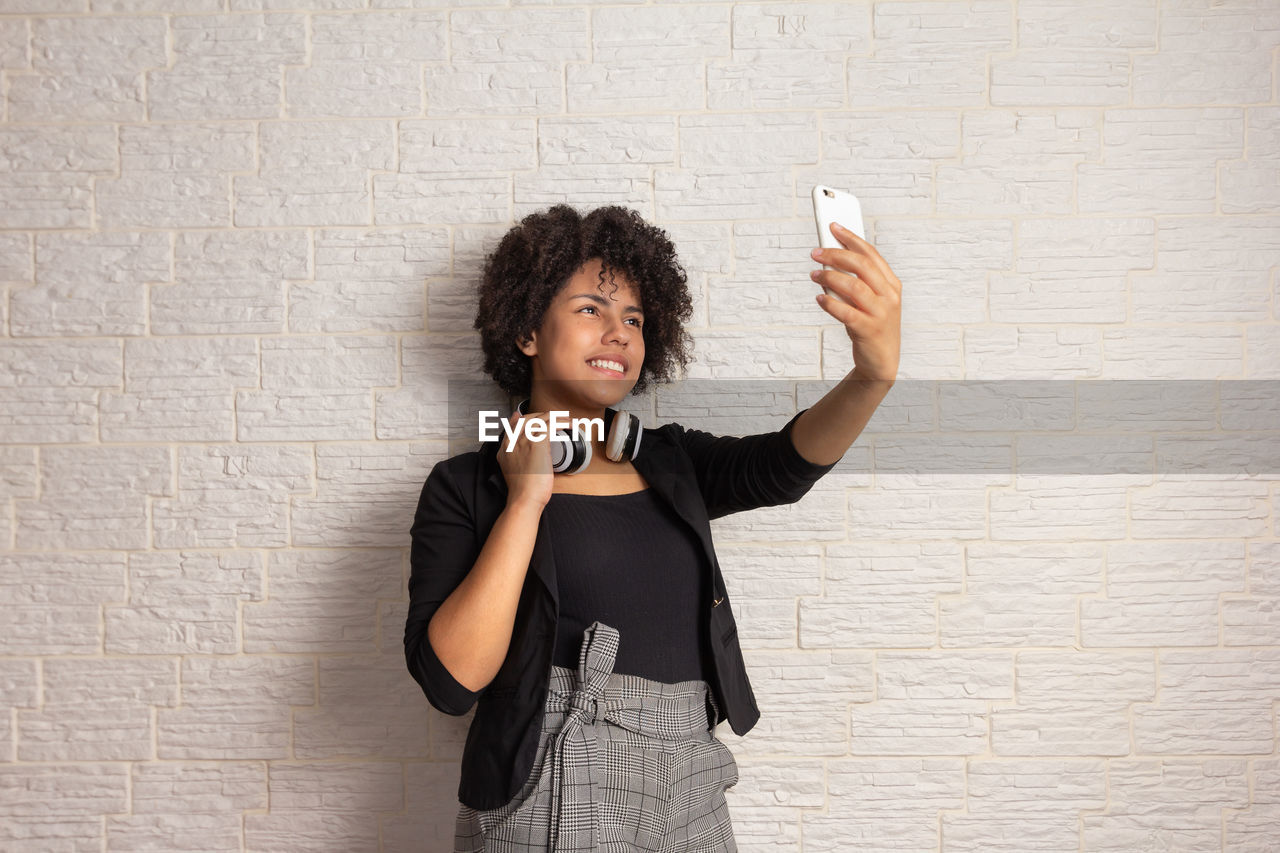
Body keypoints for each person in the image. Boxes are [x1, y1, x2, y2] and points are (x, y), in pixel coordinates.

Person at [405, 204, 902, 852]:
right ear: (527, 329)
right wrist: (525, 501)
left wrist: (872, 377)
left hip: (690, 771)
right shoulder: (465, 487)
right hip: (557, 773)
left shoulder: (672, 460)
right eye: (592, 309)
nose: (619, 332)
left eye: (634, 318)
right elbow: (451, 681)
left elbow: (783, 467)